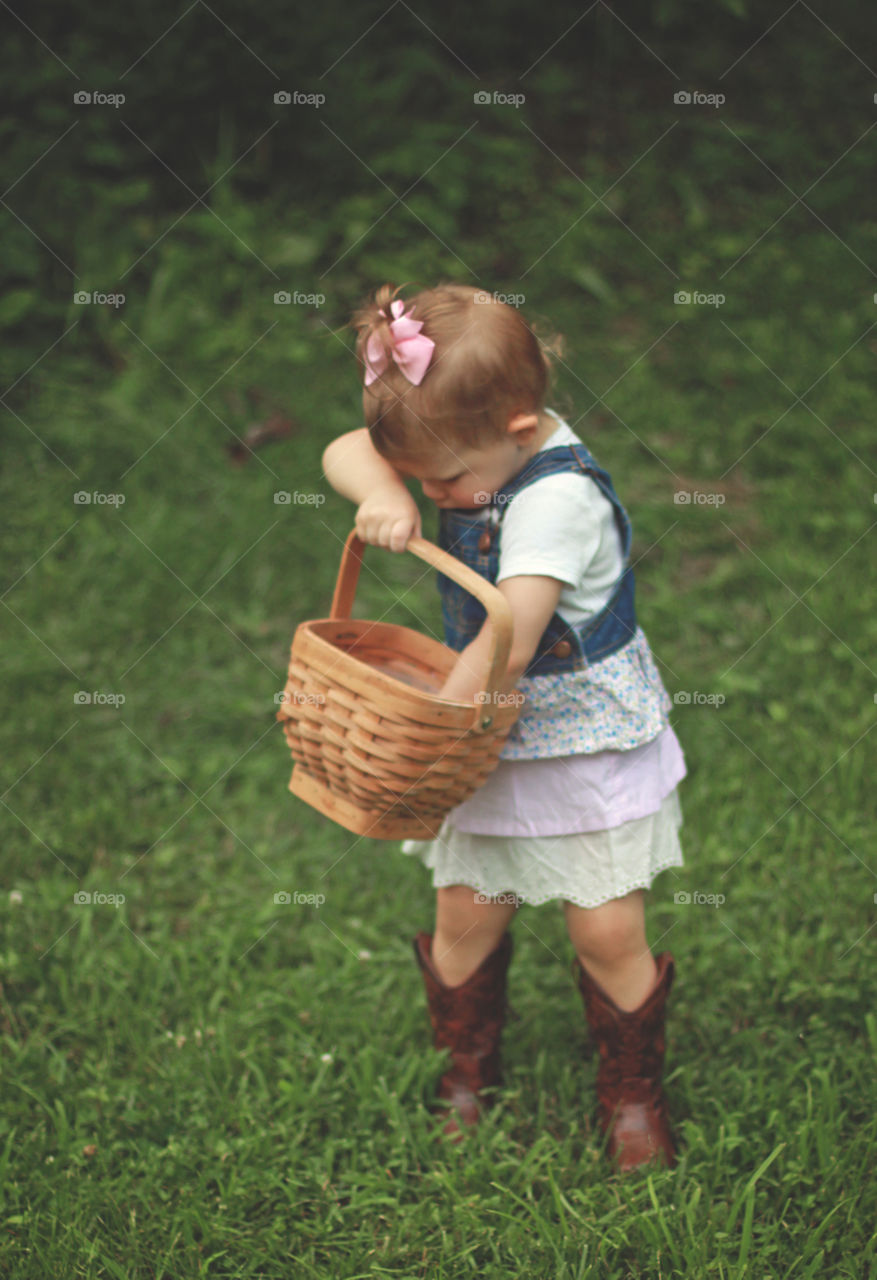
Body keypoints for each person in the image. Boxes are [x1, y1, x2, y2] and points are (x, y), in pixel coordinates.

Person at [321, 282, 687, 1172]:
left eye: (442, 479)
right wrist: (390, 495)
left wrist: (425, 729)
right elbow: (344, 450)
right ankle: (466, 1066)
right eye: (418, 475)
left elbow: (512, 642)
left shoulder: (557, 503)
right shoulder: (471, 441)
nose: (433, 491)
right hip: (484, 732)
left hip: (573, 732)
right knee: (466, 912)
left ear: (521, 432)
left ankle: (631, 1089)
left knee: (604, 925)